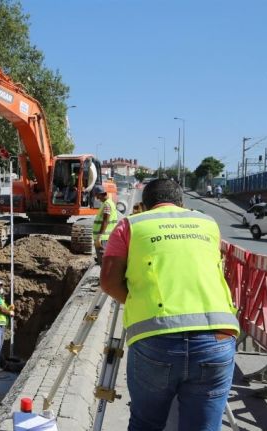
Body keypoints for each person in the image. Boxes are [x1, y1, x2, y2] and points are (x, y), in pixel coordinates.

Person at [100, 179, 240, 431]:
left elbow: (109, 282)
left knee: (146, 424)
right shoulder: (207, 223)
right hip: (217, 338)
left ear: (143, 205)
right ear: (182, 203)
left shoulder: (131, 225)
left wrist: (139, 301)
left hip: (156, 341)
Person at [92, 184, 117, 265]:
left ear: (100, 194)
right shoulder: (108, 203)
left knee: (104, 262)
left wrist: (99, 236)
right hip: (105, 237)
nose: (96, 198)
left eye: (97, 196)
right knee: (103, 261)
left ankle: (105, 277)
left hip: (103, 238)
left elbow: (105, 221)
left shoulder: (107, 204)